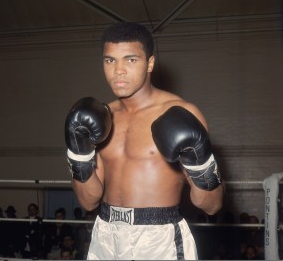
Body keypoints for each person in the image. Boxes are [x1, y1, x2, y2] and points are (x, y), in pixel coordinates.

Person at [64, 22, 224, 260]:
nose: (118, 70)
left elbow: (211, 205)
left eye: (130, 60)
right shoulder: (101, 116)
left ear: (149, 63)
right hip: (106, 233)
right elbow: (88, 201)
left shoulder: (181, 113)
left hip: (158, 239)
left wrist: (199, 165)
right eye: (110, 60)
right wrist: (79, 154)